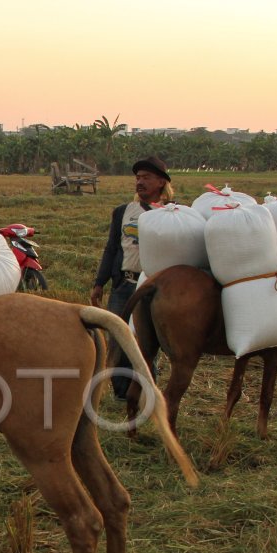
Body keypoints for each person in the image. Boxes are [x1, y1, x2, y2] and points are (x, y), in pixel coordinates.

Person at [89, 156, 173, 398]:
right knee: (117, 338)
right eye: (137, 177)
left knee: (146, 342)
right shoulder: (123, 212)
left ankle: (147, 390)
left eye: (146, 177)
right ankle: (120, 392)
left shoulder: (173, 212)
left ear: (160, 182)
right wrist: (99, 283)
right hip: (124, 284)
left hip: (153, 288)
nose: (140, 182)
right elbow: (111, 248)